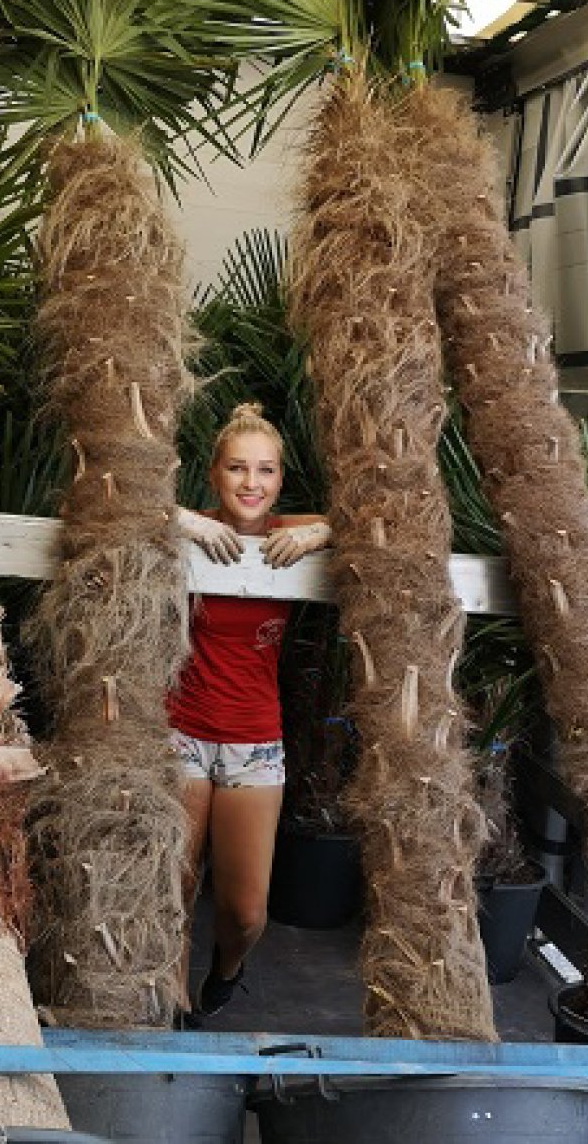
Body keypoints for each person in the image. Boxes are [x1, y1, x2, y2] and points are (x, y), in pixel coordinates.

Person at [171, 403, 331, 1023]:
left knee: (245, 911)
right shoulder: (197, 529)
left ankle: (226, 969)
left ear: (280, 480)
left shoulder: (288, 532)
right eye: (237, 468)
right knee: (175, 887)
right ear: (214, 474)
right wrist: (183, 520)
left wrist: (316, 534)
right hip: (181, 731)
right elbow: (119, 507)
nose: (251, 482)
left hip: (254, 740)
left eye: (265, 470)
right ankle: (172, 1006)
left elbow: (374, 519)